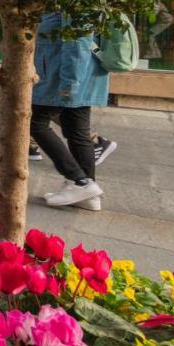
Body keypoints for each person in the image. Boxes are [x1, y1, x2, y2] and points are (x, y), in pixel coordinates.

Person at [32, 12, 108, 211]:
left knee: (35, 122)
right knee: (77, 130)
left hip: (63, 77)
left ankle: (80, 181)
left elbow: (78, 42)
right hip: (75, 75)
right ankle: (88, 195)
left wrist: (69, 84)